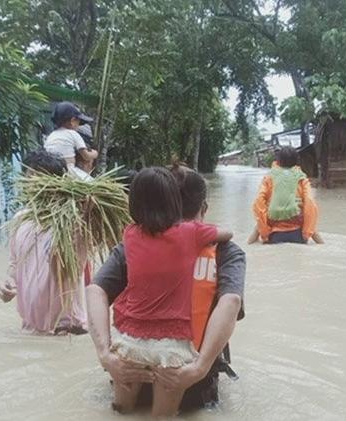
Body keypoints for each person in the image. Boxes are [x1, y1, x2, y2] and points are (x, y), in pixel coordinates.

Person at [87, 166, 245, 415]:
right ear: (203, 208)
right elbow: (231, 302)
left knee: (119, 412)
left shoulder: (132, 241)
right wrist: (199, 368)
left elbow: (96, 290)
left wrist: (105, 355)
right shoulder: (226, 251)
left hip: (127, 367)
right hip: (186, 377)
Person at [0, 151, 88, 335]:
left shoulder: (73, 222)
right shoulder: (20, 220)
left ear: (57, 184)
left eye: (40, 181)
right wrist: (7, 286)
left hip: (66, 329)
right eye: (28, 180)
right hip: (30, 328)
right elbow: (15, 265)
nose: (33, 188)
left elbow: (75, 266)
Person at [249, 146, 324, 245]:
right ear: (297, 161)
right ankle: (323, 245)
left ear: (278, 161)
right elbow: (310, 203)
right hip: (297, 231)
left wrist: (264, 232)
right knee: (312, 228)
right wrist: (307, 232)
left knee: (258, 225)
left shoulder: (269, 177)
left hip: (273, 232)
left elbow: (259, 202)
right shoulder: (301, 178)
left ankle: (248, 245)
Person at [43, 102, 98, 177]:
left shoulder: (51, 135)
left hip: (50, 171)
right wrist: (95, 154)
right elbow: (86, 156)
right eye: (78, 122)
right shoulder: (73, 134)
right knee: (90, 182)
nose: (78, 126)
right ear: (72, 121)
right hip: (68, 170)